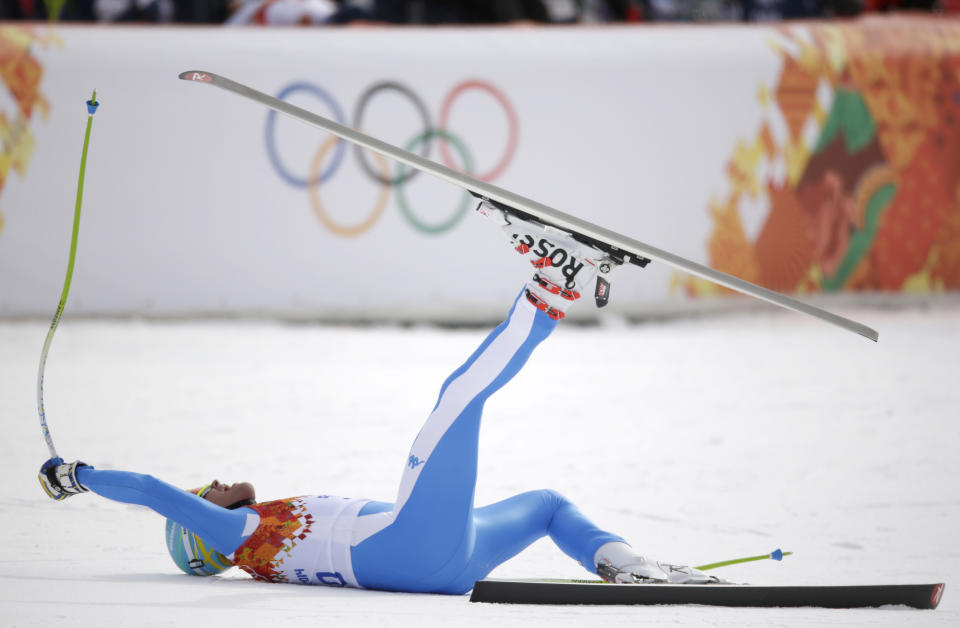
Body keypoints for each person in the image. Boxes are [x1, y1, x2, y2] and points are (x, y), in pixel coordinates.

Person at [38, 202, 718, 593]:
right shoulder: (240, 542)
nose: (212, 485)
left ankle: (630, 569)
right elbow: (155, 489)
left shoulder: (258, 533)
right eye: (204, 495)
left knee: (546, 506)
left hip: (444, 561)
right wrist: (78, 476)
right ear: (201, 533)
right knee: (457, 399)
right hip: (411, 546)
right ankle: (553, 282)